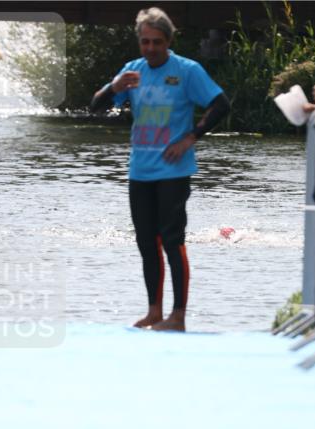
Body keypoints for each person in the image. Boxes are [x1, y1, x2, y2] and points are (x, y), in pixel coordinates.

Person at [91, 7, 230, 331]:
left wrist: (190, 137)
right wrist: (114, 87)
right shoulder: (132, 71)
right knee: (145, 242)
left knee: (172, 240)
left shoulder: (186, 70)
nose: (150, 48)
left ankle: (177, 315)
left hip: (173, 170)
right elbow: (96, 105)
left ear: (168, 41)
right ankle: (154, 311)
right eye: (145, 42)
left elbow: (221, 104)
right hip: (140, 171)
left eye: (156, 42)